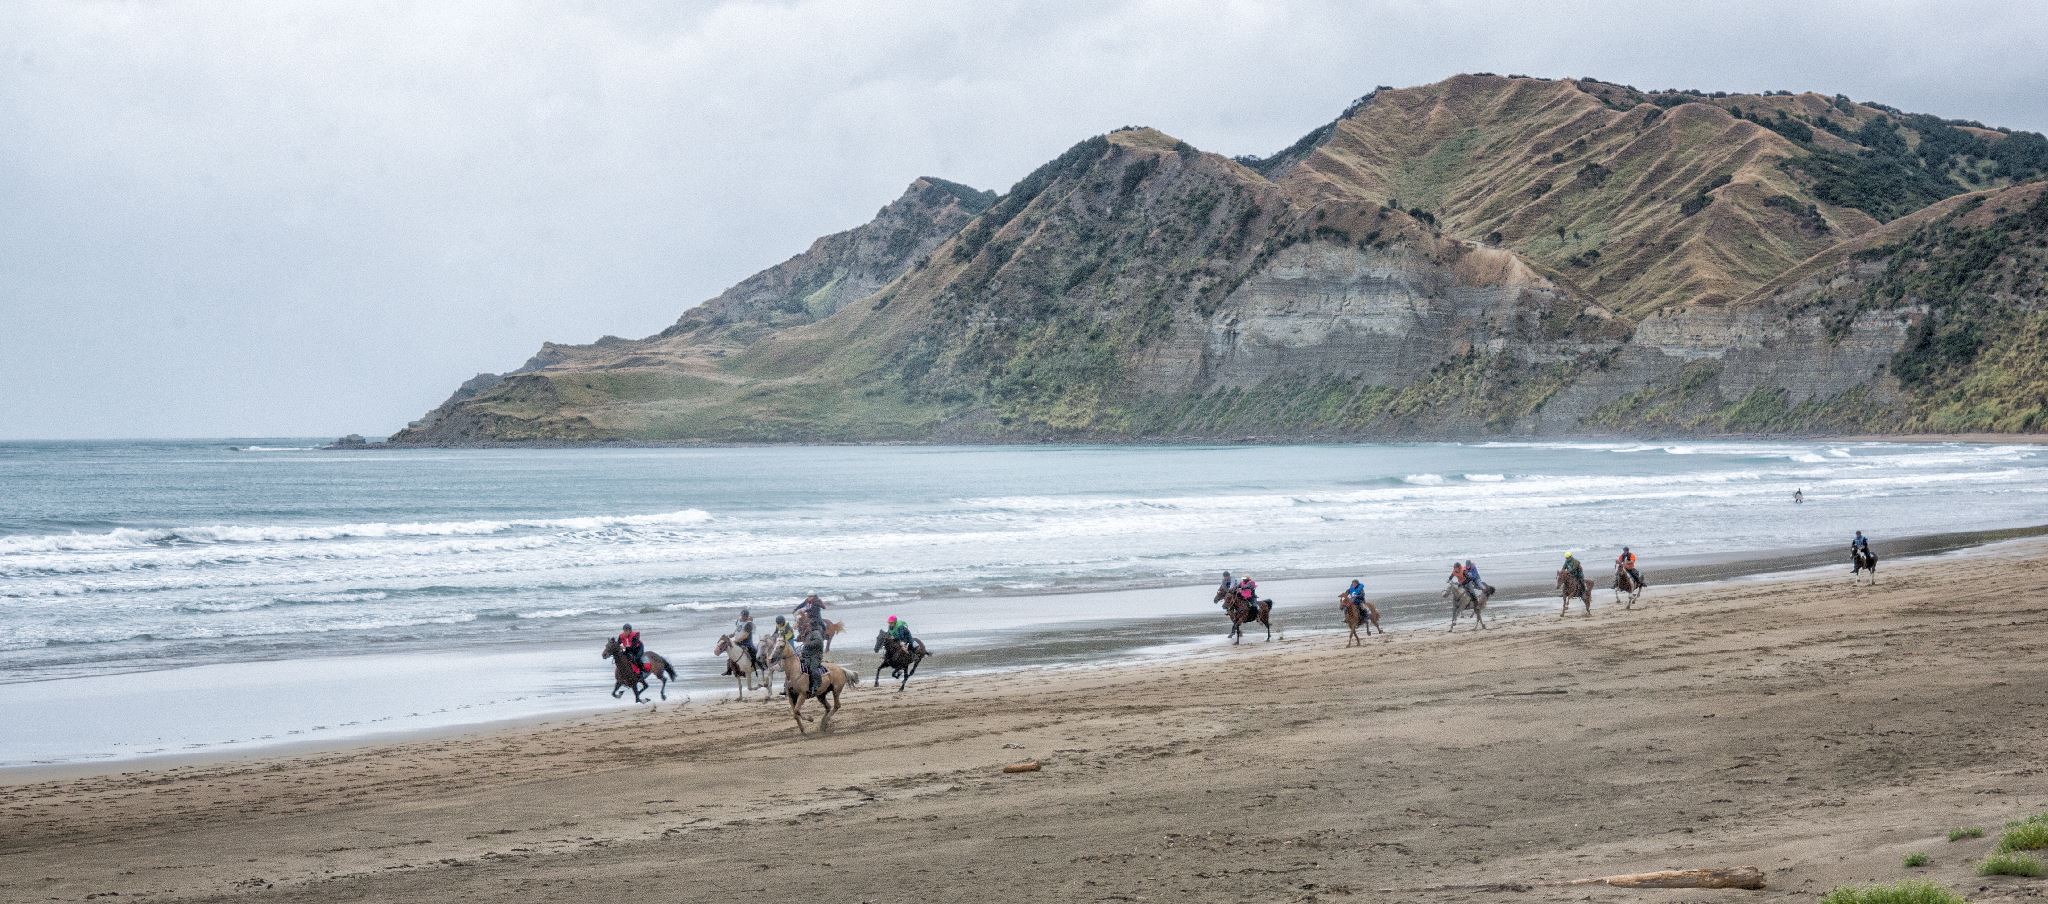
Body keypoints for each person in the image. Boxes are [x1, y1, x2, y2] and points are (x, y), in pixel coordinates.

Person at [799, 616, 827, 697]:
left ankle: (816, 685)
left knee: (813, 669)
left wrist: (808, 644)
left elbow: (818, 642)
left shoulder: (816, 633)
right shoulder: (810, 633)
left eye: (809, 625)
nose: (808, 626)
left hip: (815, 656)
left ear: (812, 626)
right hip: (807, 655)